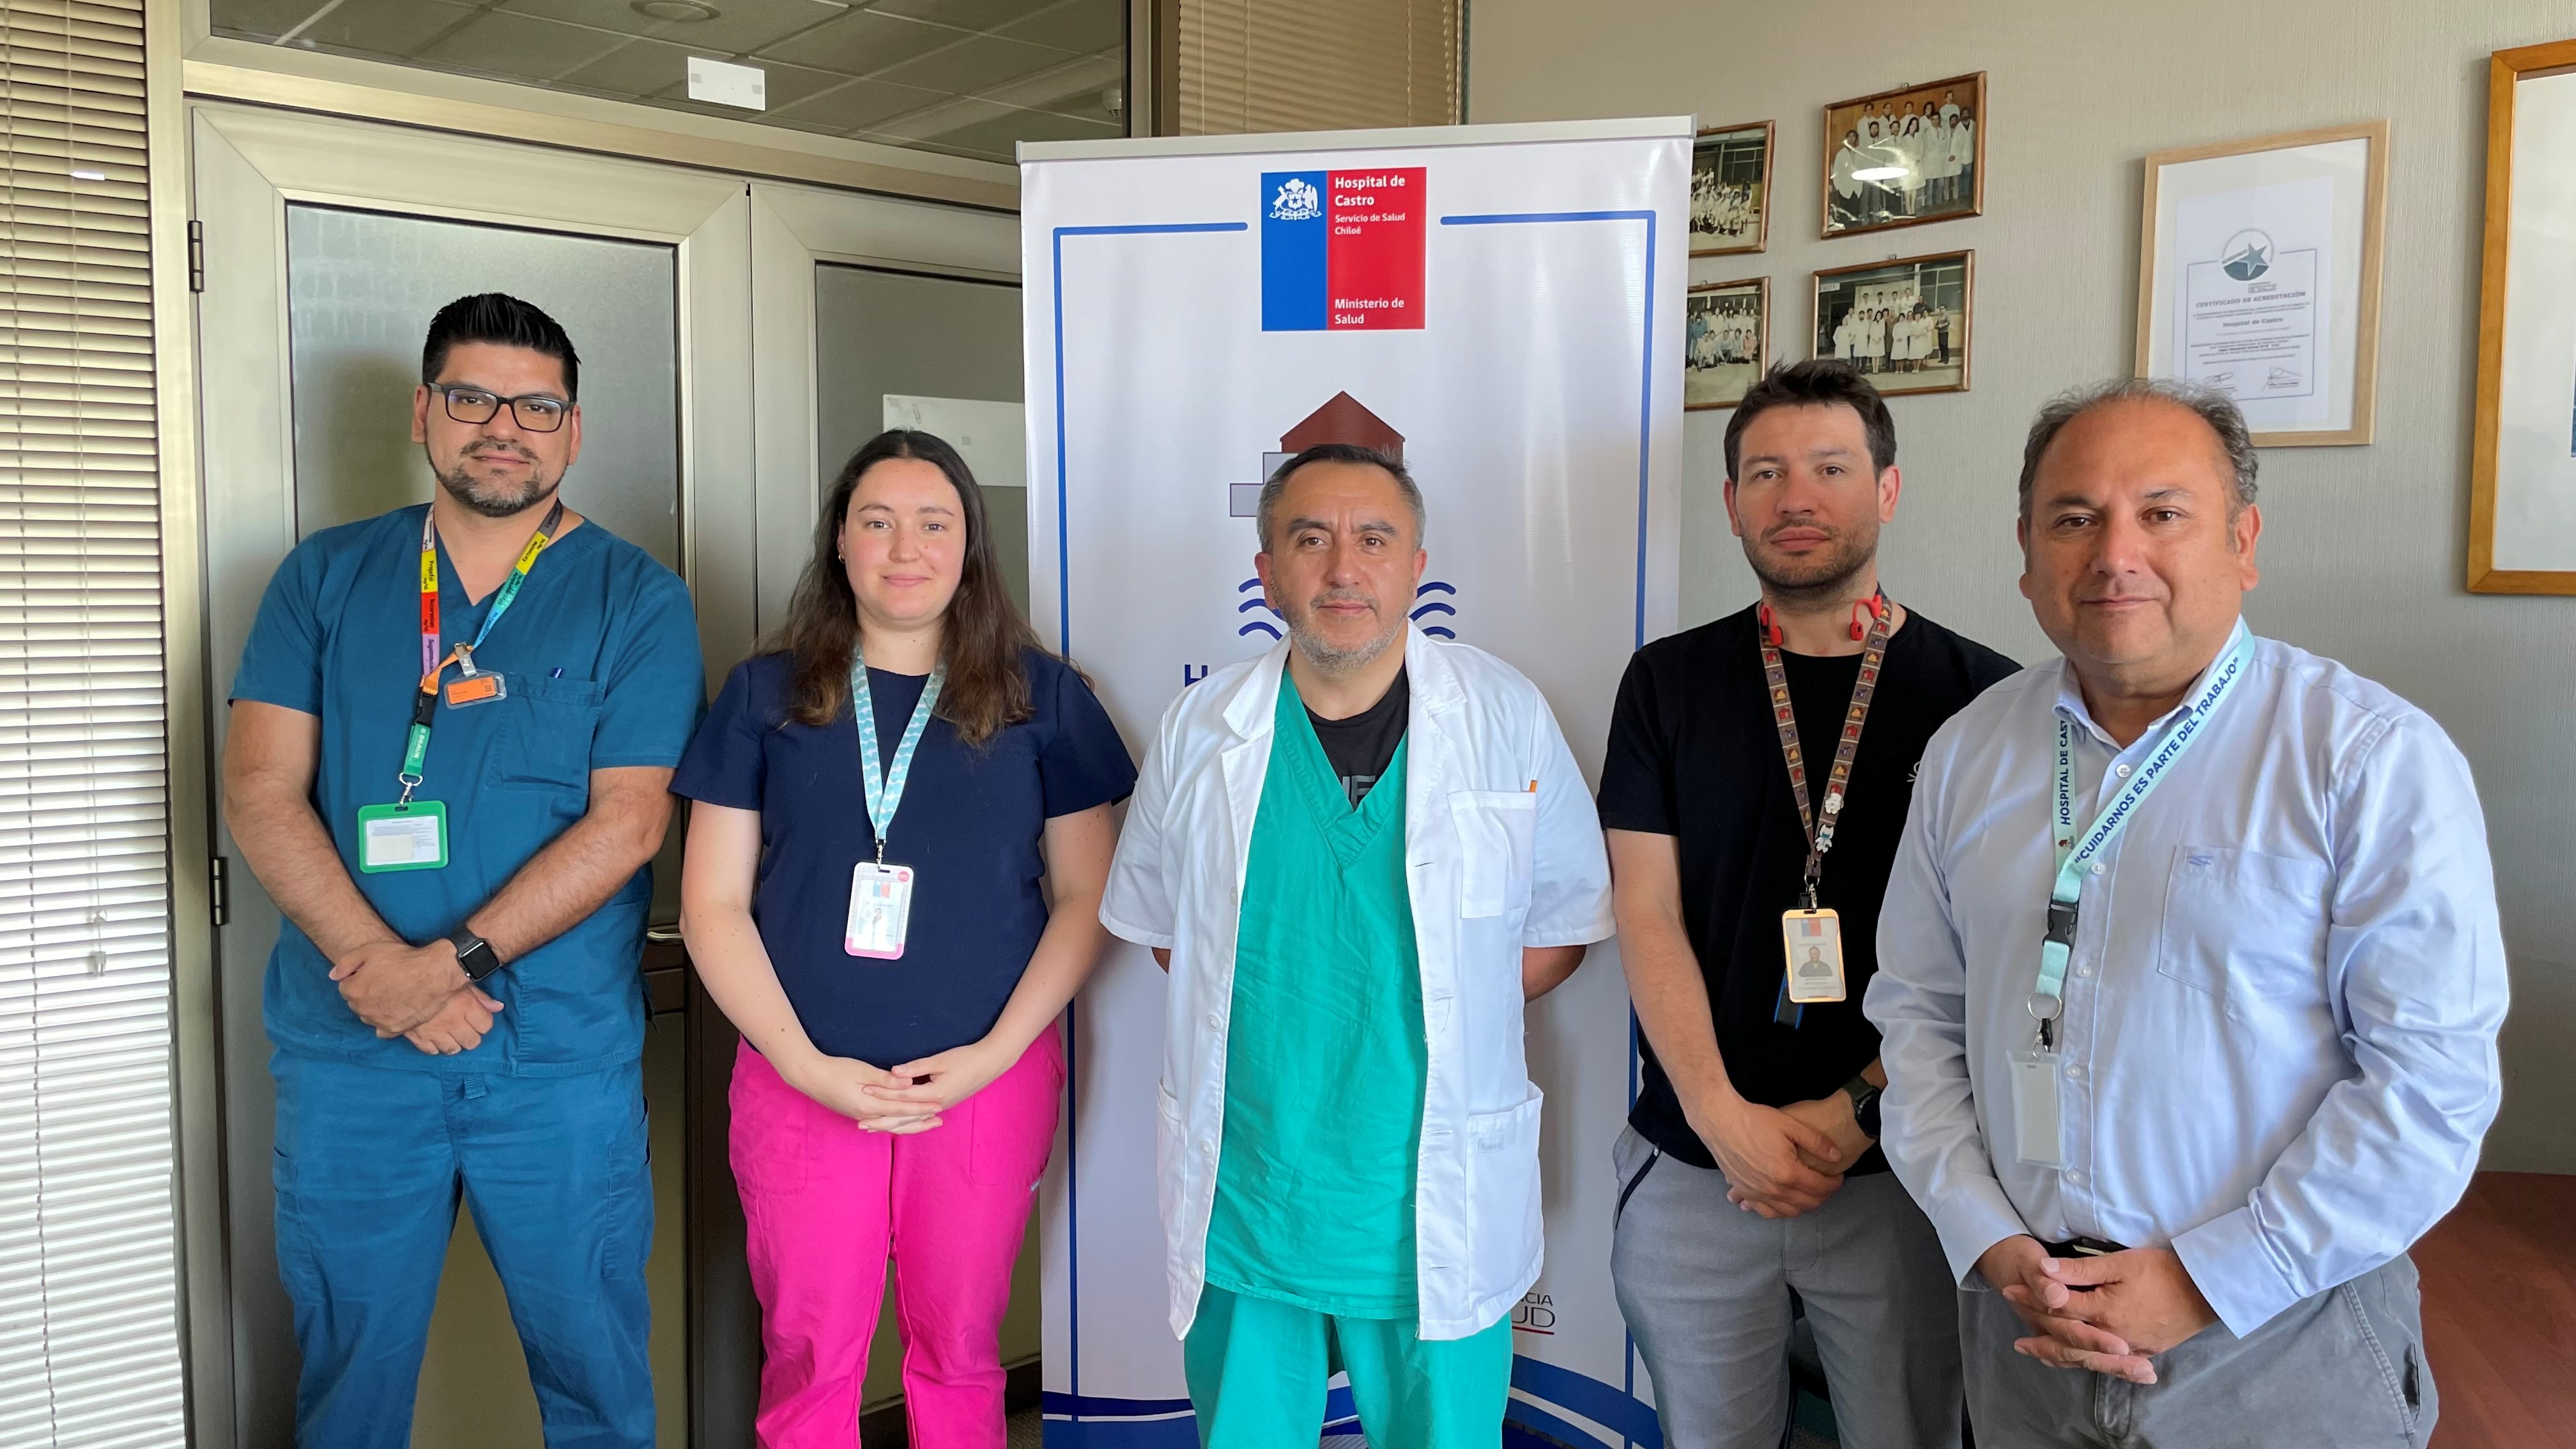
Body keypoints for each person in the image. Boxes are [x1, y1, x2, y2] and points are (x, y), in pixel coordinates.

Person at [1867, 379, 2506, 1448]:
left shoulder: (2366, 758)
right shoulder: (1969, 752)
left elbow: (2430, 1083)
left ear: (2244, 542)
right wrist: (1982, 1235)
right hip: (2025, 1327)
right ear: (2026, 554)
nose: (2115, 554)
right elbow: (1918, 1017)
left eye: (2162, 513)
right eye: (2074, 519)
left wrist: (2209, 1279)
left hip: (2280, 1335)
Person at [222, 293, 702, 1447]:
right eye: (474, 398)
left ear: (573, 431)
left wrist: (446, 967)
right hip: (355, 1050)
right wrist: (382, 968)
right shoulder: (325, 578)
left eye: (537, 407)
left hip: (553, 1061)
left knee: (596, 1378)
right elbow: (260, 789)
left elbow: (631, 822)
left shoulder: (636, 597)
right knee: (348, 1381)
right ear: (423, 411)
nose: (504, 428)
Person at [1101, 443, 1614, 1449]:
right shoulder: (1203, 728)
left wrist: (1432, 999)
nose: (1344, 568)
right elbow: (1175, 939)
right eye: (1312, 540)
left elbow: (1559, 931)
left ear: (1417, 566)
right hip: (1252, 1198)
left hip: (1430, 1200)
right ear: (1267, 573)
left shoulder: (1503, 715)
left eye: (1374, 540)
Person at [673, 429, 1134, 1448]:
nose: (905, 548)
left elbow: (1086, 898)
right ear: (839, 540)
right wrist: (804, 1066)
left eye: (935, 523)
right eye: (877, 522)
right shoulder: (763, 695)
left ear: (971, 546)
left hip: (983, 1083)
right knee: (808, 1354)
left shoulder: (1043, 696)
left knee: (961, 1351)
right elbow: (711, 906)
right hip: (800, 1083)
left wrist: (994, 1056)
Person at [1601, 361, 2015, 1449]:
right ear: (1731, 501)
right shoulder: (1666, 682)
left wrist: (1859, 1109)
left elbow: (2000, 955)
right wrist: (1720, 1117)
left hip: (1908, 1171)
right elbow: (1645, 912)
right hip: (1699, 1163)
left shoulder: (1985, 699)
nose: (1796, 498)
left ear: (1887, 489)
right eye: (1765, 473)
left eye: (1830, 468)